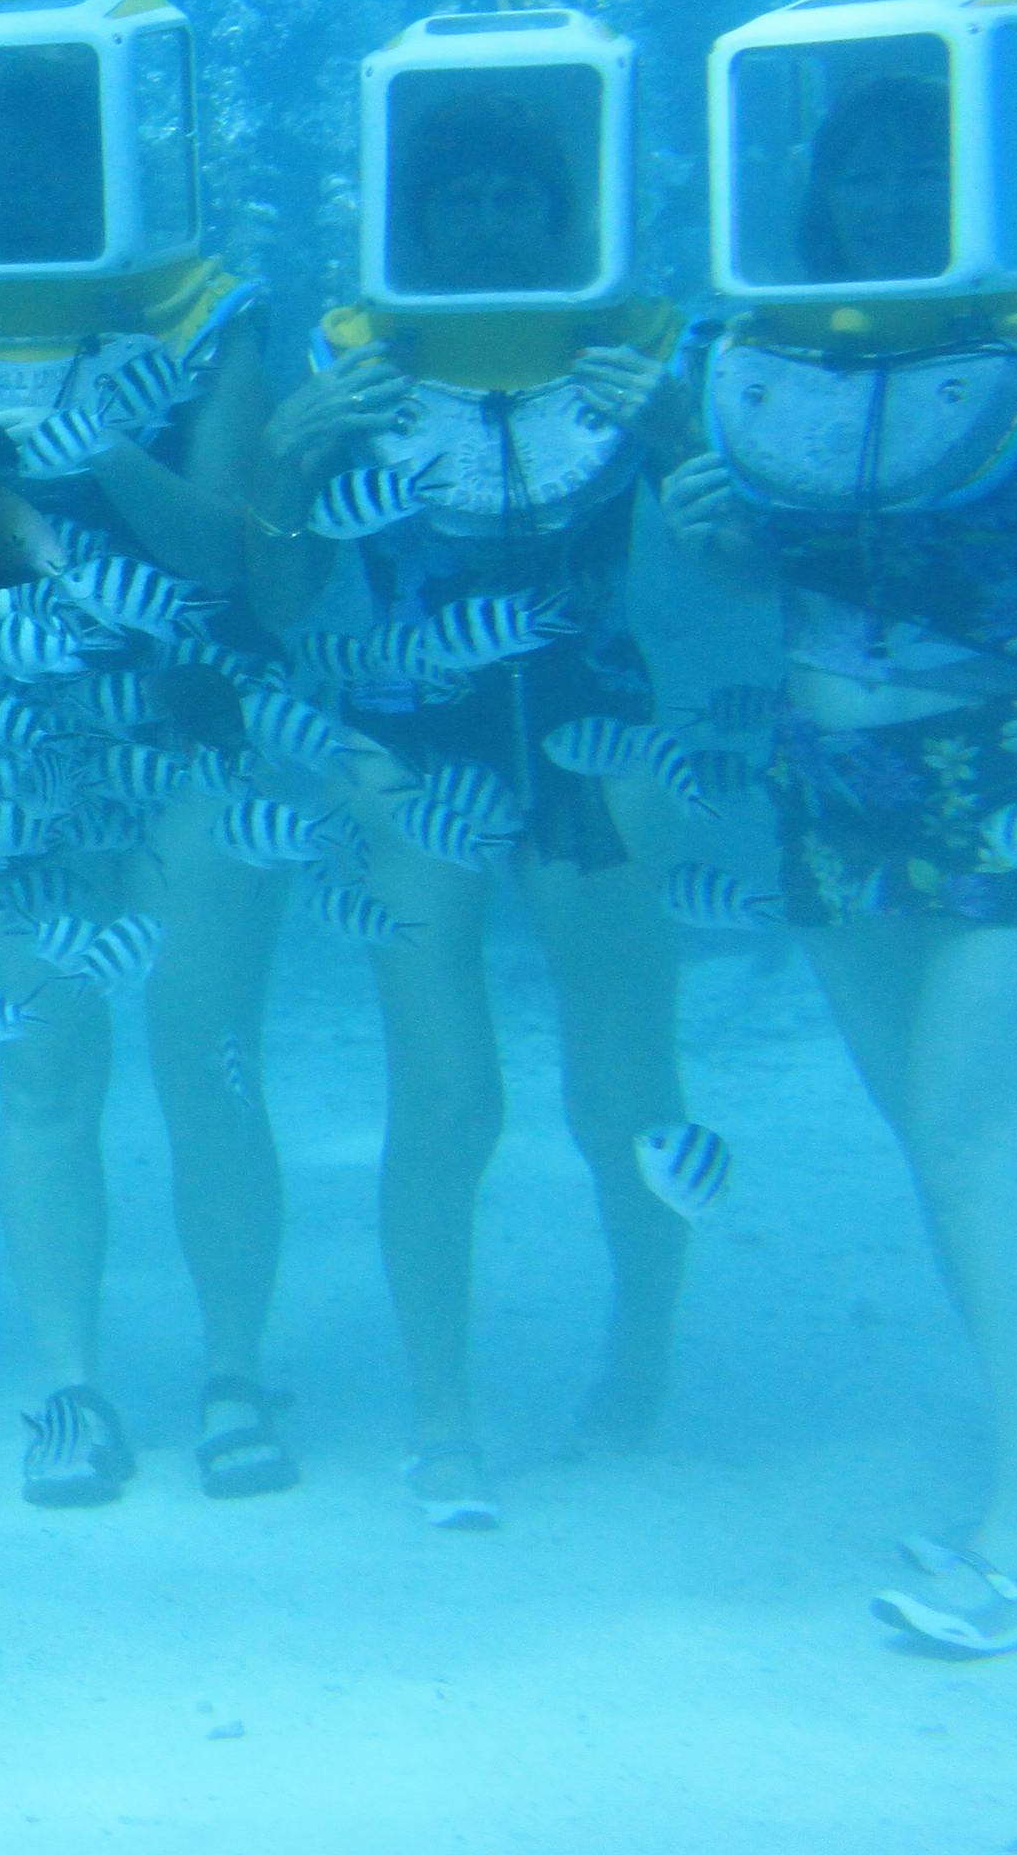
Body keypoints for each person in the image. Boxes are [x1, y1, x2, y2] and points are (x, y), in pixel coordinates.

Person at [660, 69, 1017, 1654]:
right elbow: (739, 569)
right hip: (829, 780)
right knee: (948, 1152)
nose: (893, 201)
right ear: (820, 195)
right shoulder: (750, 346)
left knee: (972, 1141)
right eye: (867, 174)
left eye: (924, 170)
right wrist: (710, 531)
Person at [255, 83, 693, 1527]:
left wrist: (688, 440)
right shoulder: (347, 362)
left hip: (600, 747)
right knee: (444, 1099)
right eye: (464, 194)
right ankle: (442, 1416)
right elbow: (279, 592)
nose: (492, 216)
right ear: (415, 212)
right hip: (406, 756)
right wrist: (286, 453)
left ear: (561, 212)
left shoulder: (636, 353)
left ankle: (637, 1368)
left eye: (520, 193)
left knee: (623, 1092)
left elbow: (740, 546)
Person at [0, 42, 300, 1509]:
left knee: (209, 1064)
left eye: (69, 153)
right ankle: (71, 1390)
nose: (33, 184)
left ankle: (235, 1373)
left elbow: (229, 553)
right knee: (44, 1072)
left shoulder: (212, 319)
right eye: (12, 156)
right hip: (3, 747)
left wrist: (107, 449)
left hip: (188, 730)